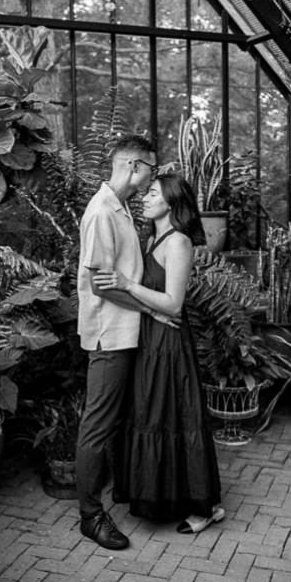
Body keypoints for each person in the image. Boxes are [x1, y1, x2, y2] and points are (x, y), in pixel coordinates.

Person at [94, 174, 224, 533]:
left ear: (171, 201)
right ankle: (171, 495)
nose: (145, 198)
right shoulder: (151, 237)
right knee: (153, 416)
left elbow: (174, 304)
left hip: (168, 345)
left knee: (178, 420)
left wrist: (126, 284)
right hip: (148, 340)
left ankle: (205, 508)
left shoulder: (178, 242)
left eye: (153, 193)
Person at [75, 133, 176, 551]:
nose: (153, 177)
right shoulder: (102, 212)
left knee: (115, 423)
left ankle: (118, 494)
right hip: (109, 335)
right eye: (151, 169)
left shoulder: (119, 209)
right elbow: (102, 285)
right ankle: (89, 516)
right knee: (97, 427)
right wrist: (152, 309)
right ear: (134, 166)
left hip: (126, 332)